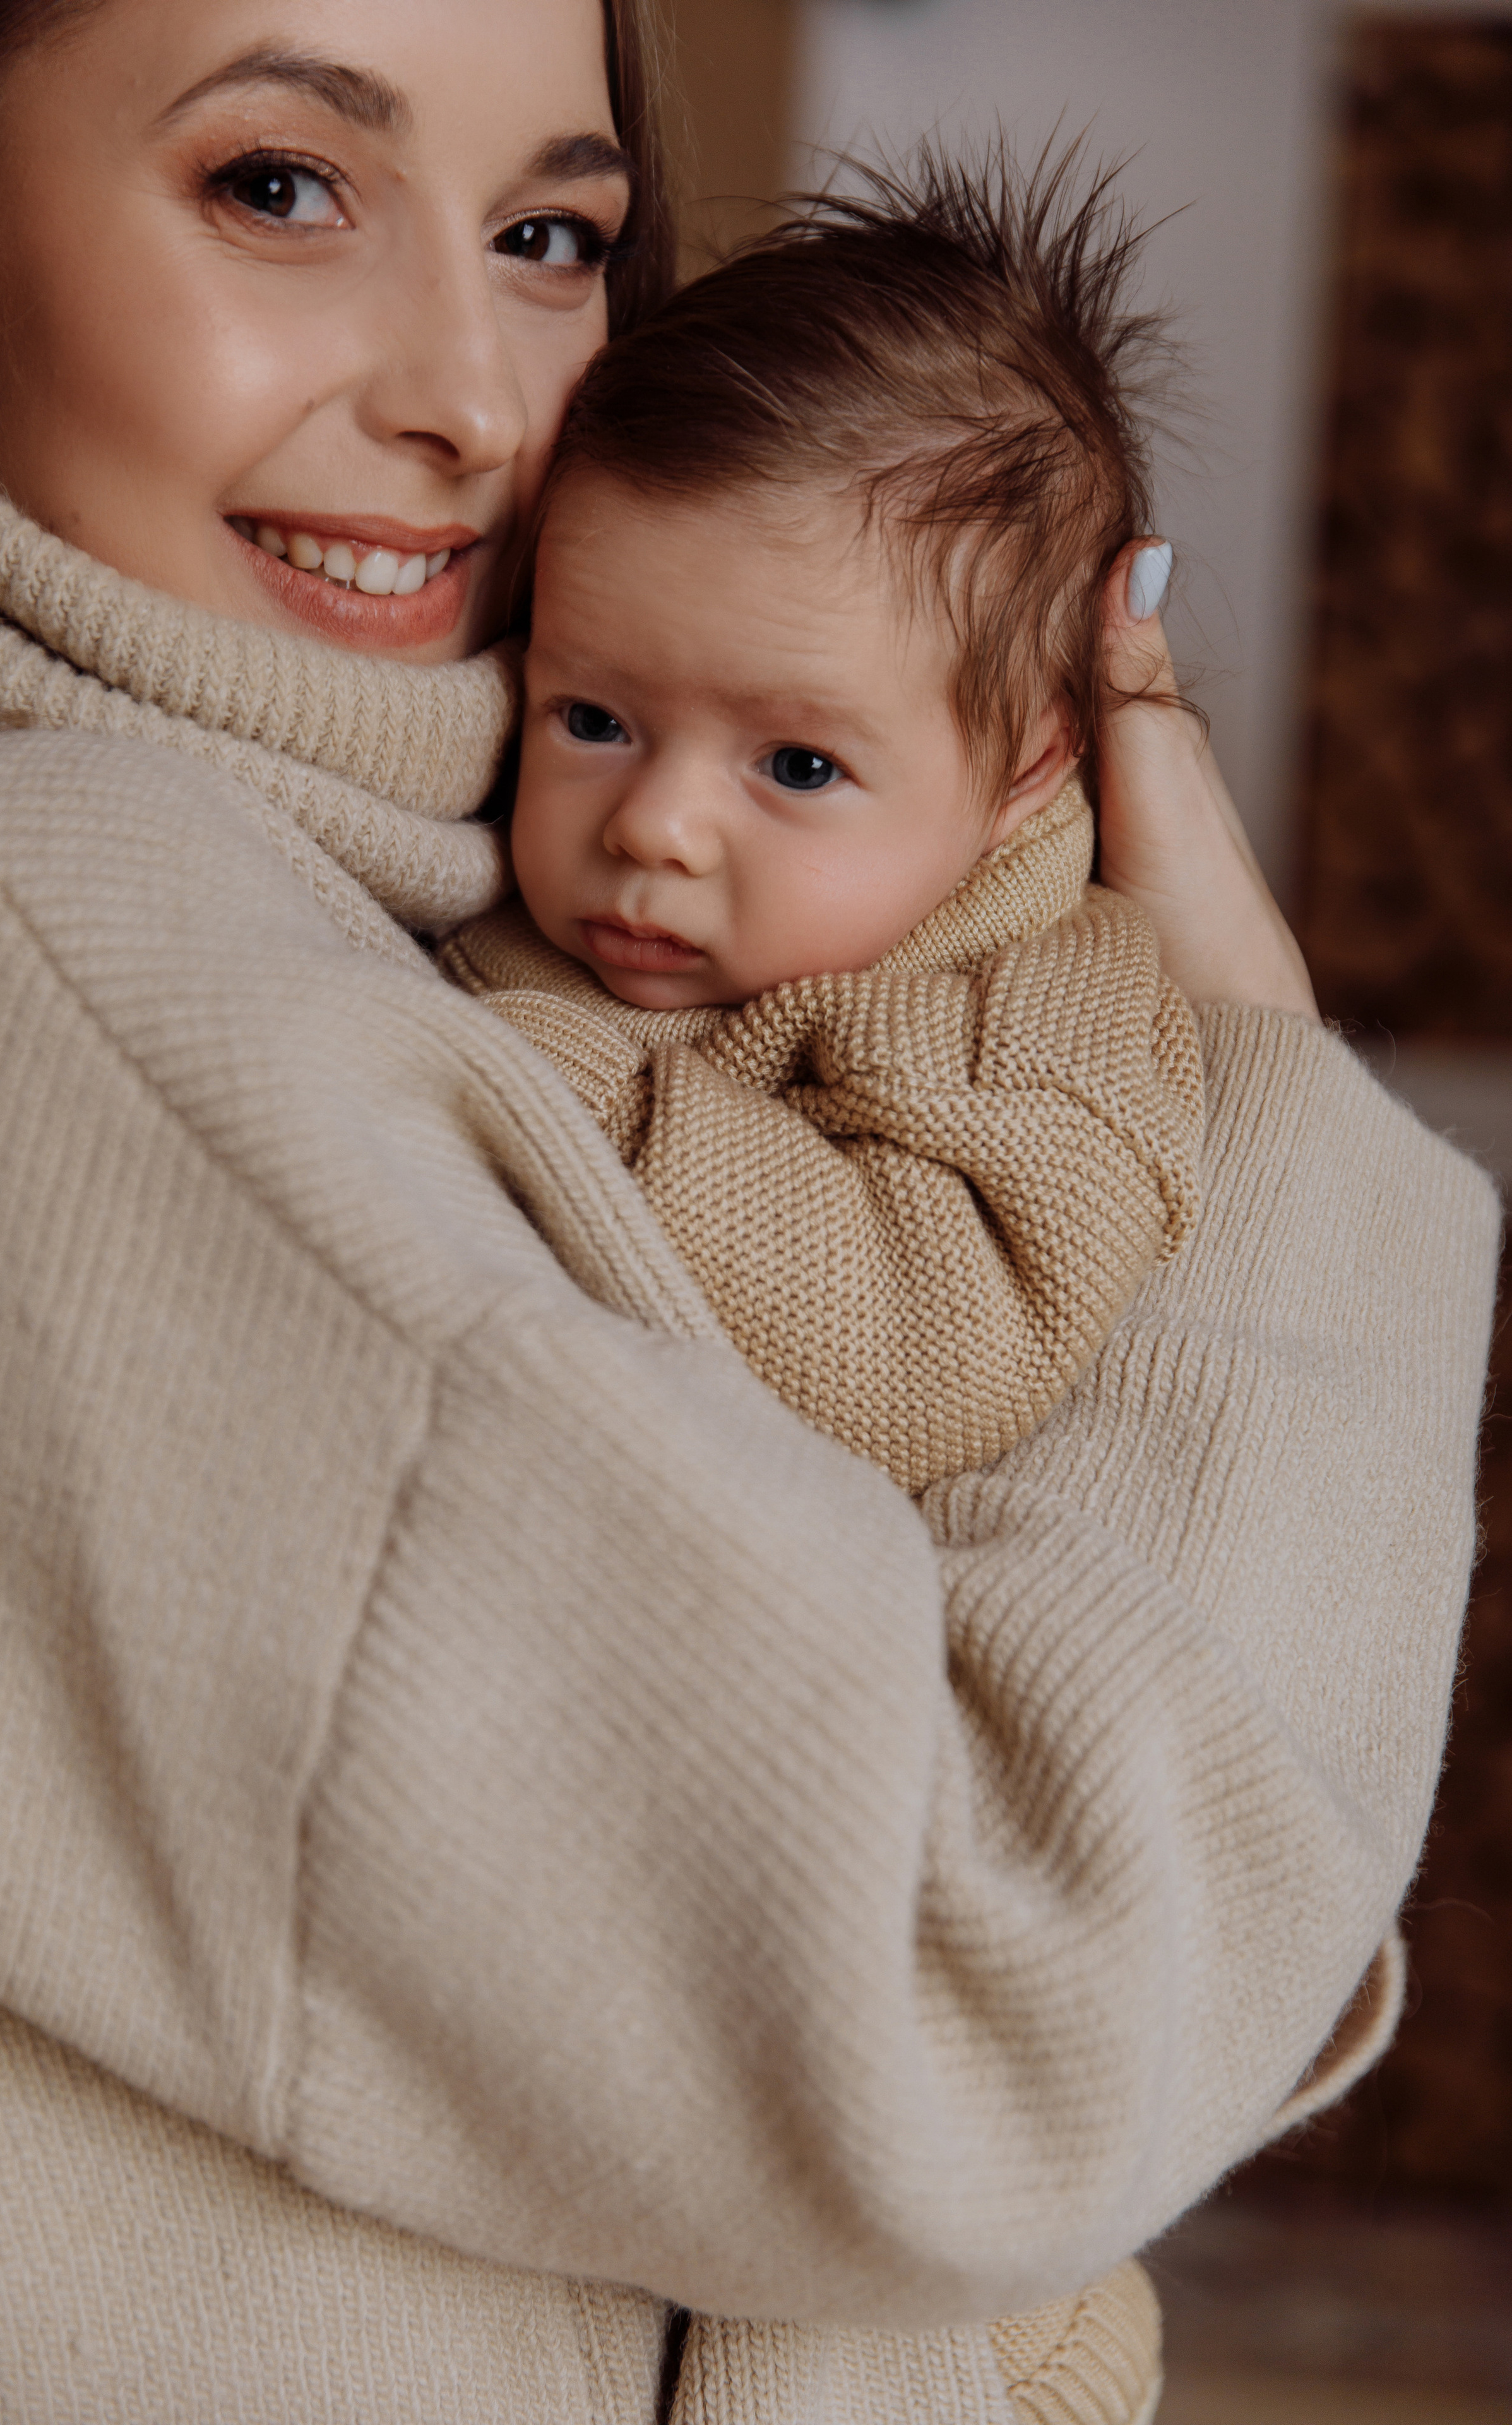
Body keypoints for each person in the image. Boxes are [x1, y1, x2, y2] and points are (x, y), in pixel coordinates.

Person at [0, 4, 1497, 2423]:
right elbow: (1008, 2009)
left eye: (555, 236)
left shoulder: (378, 922)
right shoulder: (63, 937)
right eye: (280, 187)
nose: (469, 391)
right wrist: (1274, 1122)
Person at [444, 155, 1208, 1494]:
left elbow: (921, 1361)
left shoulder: (1041, 1019)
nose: (653, 829)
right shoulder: (515, 899)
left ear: (1028, 769)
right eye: (592, 720)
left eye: (794, 765)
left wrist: (528, 1084)